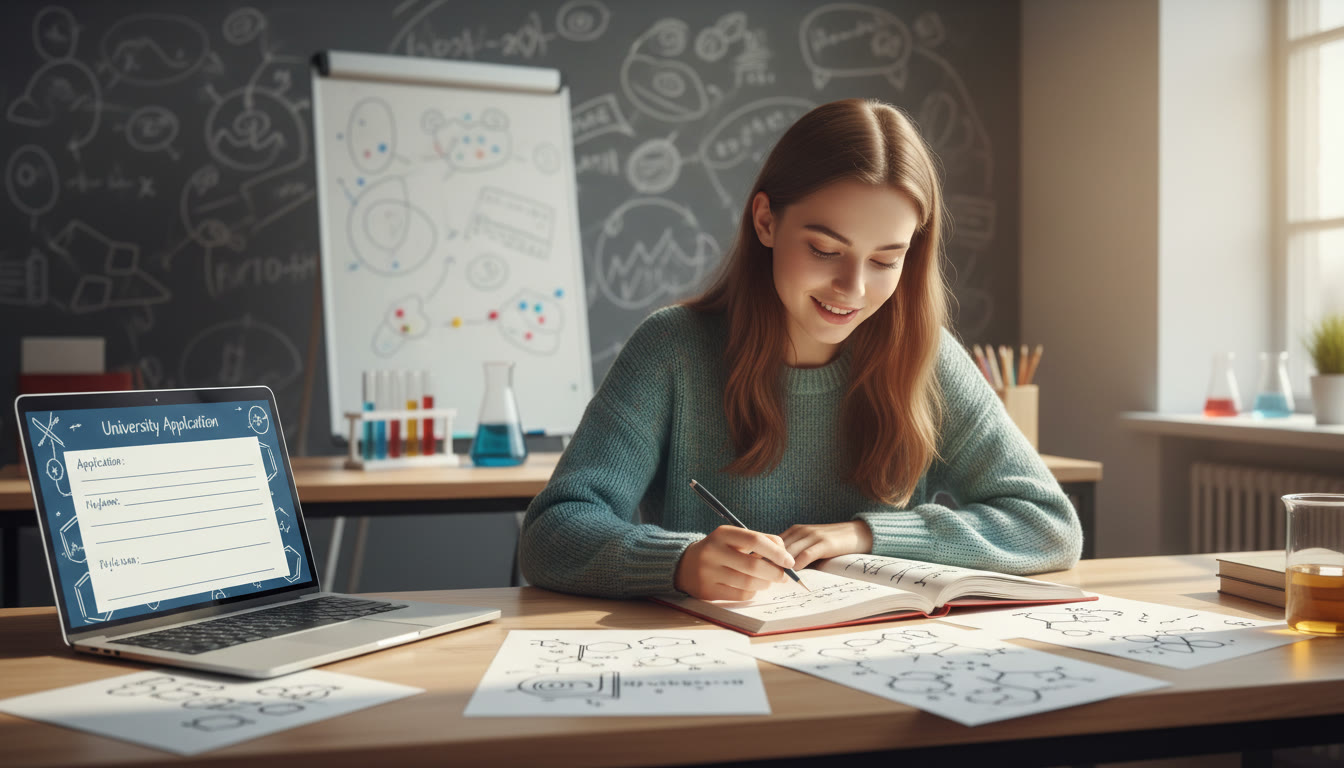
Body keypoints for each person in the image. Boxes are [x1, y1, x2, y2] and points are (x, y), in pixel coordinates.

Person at [520, 98, 1081, 601]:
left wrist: (867, 534)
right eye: (824, 249)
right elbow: (552, 532)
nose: (854, 289)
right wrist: (680, 562)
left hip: (880, 661)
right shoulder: (672, 348)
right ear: (766, 221)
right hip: (714, 668)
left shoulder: (924, 356)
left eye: (886, 260)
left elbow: (1050, 525)